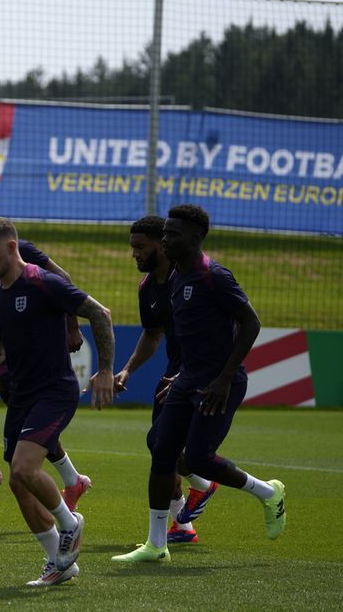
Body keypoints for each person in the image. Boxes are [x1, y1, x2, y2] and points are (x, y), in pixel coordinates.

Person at [0, 217, 115, 587]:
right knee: (21, 484)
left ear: (12, 247)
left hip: (54, 390)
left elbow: (100, 313)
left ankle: (71, 524)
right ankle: (59, 562)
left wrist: (105, 370)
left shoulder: (42, 282)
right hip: (20, 394)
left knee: (22, 469)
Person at [113, 204, 285, 563]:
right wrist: (181, 373)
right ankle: (156, 545)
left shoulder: (214, 275)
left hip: (219, 383)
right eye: (165, 234)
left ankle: (268, 493)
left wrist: (223, 377)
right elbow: (180, 334)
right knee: (160, 451)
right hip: (186, 378)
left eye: (172, 234)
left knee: (199, 459)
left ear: (194, 238)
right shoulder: (173, 278)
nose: (165, 239)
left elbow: (250, 324)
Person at [0, 199, 90, 504]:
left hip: (28, 354)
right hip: (7, 352)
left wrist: (72, 327)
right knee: (32, 430)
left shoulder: (17, 249)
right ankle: (72, 480)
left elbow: (62, 280)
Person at [113, 215, 218, 544]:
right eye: (132, 247)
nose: (135, 254)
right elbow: (152, 333)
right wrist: (128, 369)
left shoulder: (189, 278)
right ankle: (184, 522)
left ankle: (202, 484)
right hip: (176, 368)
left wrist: (202, 372)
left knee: (167, 446)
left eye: (141, 247)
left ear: (163, 245)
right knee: (158, 444)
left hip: (199, 371)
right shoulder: (148, 288)